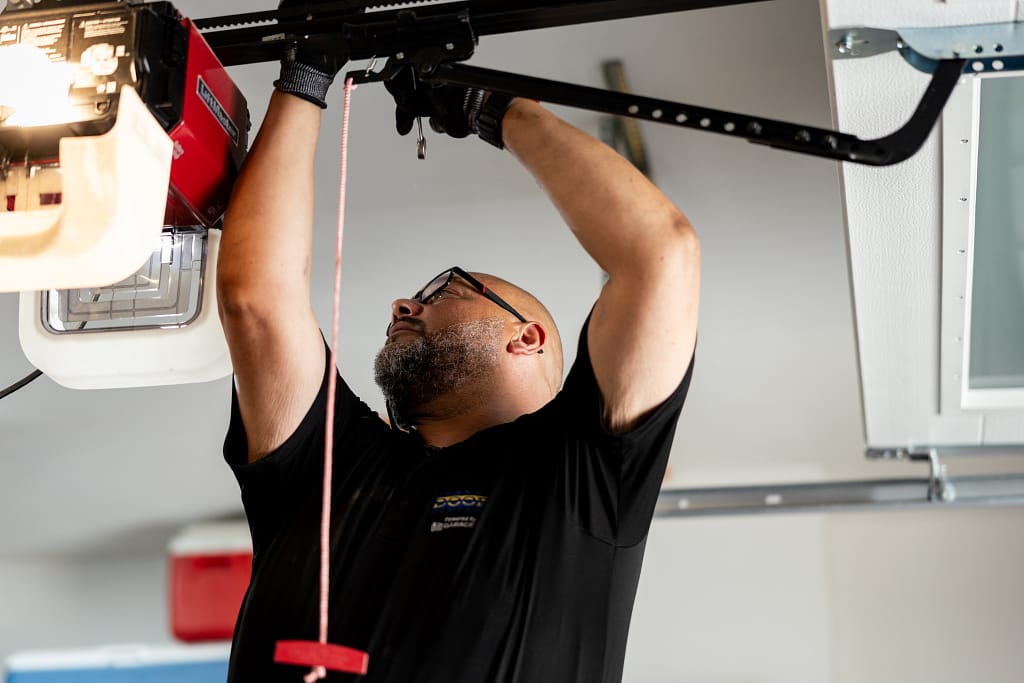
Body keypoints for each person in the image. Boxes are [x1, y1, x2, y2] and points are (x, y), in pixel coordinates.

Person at [216, 26, 700, 683]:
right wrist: (306, 72)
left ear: (525, 336)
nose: (401, 306)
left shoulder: (583, 476)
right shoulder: (333, 467)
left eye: (444, 289)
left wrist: (496, 108)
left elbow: (661, 255)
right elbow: (256, 302)